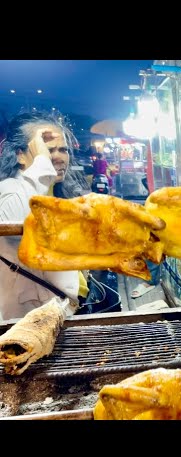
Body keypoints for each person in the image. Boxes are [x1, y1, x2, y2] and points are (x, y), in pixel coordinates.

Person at [0, 111, 85, 320]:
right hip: (24, 318)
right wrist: (40, 163)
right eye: (48, 150)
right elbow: (17, 219)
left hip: (61, 310)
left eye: (63, 149)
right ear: (20, 155)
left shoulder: (58, 193)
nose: (57, 156)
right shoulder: (9, 189)